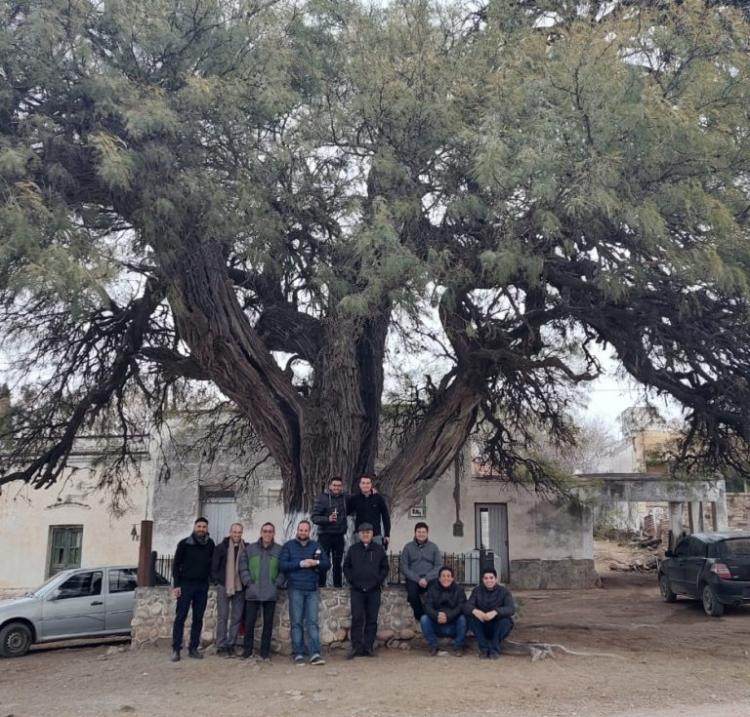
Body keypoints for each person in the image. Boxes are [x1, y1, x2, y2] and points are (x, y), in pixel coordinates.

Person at [280, 519, 330, 665]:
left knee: (312, 623)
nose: (303, 532)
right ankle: (298, 654)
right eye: (301, 530)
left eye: (305, 530)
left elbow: (327, 564)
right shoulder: (289, 546)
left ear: (309, 531)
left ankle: (315, 654)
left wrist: (317, 563)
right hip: (295, 588)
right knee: (296, 623)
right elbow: (283, 565)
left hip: (312, 589)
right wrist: (300, 564)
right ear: (297, 530)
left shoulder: (316, 546)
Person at [171, 517, 215, 662]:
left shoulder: (210, 544)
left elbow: (211, 564)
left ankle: (193, 648)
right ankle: (176, 649)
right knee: (180, 617)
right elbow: (176, 565)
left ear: (207, 529)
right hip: (185, 585)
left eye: (204, 527)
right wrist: (176, 585)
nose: (201, 529)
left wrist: (211, 579)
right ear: (194, 527)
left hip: (202, 586)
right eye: (199, 526)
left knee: (198, 618)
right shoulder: (184, 544)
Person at [238, 522, 284, 662]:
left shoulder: (279, 550)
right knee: (249, 623)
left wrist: (277, 584)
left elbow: (283, 570)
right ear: (261, 532)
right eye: (265, 531)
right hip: (253, 592)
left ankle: (265, 652)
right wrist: (247, 582)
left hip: (270, 593)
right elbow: (243, 566)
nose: (267, 534)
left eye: (270, 531)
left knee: (268, 624)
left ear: (274, 533)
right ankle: (247, 650)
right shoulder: (250, 549)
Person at [343, 522, 389, 659]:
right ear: (359, 535)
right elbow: (346, 567)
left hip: (374, 589)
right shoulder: (353, 549)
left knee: (372, 619)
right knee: (357, 618)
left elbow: (385, 568)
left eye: (368, 532)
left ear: (372, 534)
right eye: (363, 532)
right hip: (357, 590)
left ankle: (368, 647)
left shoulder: (379, 549)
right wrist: (353, 581)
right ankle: (356, 647)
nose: (365, 534)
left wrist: (377, 581)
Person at [211, 522, 246, 657]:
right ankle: (221, 645)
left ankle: (231, 644)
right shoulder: (221, 548)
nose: (237, 535)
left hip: (239, 587)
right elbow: (215, 566)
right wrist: (217, 580)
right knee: (223, 617)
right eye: (234, 532)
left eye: (239, 532)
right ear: (230, 532)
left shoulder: (246, 548)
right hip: (224, 585)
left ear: (242, 533)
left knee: (236, 617)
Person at [465, 568, 514, 659]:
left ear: (496, 579)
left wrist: (496, 612)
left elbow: (510, 609)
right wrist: (476, 611)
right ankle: (483, 649)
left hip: (498, 625)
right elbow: (467, 606)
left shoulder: (504, 591)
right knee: (471, 618)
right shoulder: (477, 590)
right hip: (482, 625)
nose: (489, 580)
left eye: (491, 578)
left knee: (506, 621)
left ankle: (494, 650)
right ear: (482, 580)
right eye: (486, 578)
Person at [420, 566, 467, 657]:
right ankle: (433, 646)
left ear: (452, 578)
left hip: (453, 624)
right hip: (437, 624)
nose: (446, 578)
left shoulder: (459, 590)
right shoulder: (432, 589)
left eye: (448, 576)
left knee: (463, 619)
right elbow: (427, 606)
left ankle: (458, 647)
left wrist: (448, 616)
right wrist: (437, 615)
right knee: (424, 619)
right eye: (443, 576)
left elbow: (461, 606)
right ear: (439, 578)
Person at [310, 477, 348, 587]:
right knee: (323, 562)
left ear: (342, 487)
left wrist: (372, 491)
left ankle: (338, 587)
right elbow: (314, 517)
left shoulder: (345, 498)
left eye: (339, 485)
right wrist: (327, 519)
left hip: (339, 536)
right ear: (330, 486)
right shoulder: (322, 498)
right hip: (324, 536)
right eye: (334, 485)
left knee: (337, 564)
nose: (336, 487)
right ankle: (321, 586)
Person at [400, 522, 441, 621]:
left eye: (423, 532)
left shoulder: (434, 547)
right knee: (412, 595)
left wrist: (426, 579)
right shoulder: (408, 547)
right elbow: (404, 567)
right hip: (414, 578)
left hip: (430, 578)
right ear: (415, 533)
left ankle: (433, 614)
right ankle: (421, 617)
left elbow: (438, 566)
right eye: (419, 532)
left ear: (427, 533)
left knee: (436, 593)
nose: (421, 534)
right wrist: (418, 579)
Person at [347, 474, 391, 548]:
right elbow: (346, 511)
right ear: (360, 485)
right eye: (363, 483)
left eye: (368, 483)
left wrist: (387, 534)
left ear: (371, 485)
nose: (365, 485)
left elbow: (385, 516)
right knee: (359, 558)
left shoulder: (378, 498)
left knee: (376, 558)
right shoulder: (355, 499)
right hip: (359, 535)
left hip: (375, 535)